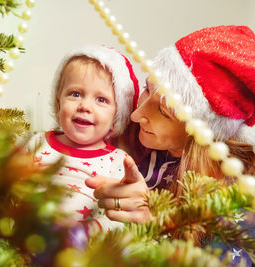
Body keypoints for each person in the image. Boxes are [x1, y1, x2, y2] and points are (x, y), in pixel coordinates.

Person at [85, 25, 255, 264]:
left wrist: (153, 225)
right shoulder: (134, 139)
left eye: (163, 112)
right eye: (147, 88)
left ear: (198, 132)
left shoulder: (237, 202)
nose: (136, 115)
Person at [27, 44, 139, 234]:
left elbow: (120, 213)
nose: (85, 106)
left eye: (101, 100)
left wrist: (90, 233)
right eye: (75, 94)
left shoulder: (119, 161)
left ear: (116, 118)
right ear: (58, 102)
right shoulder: (37, 142)